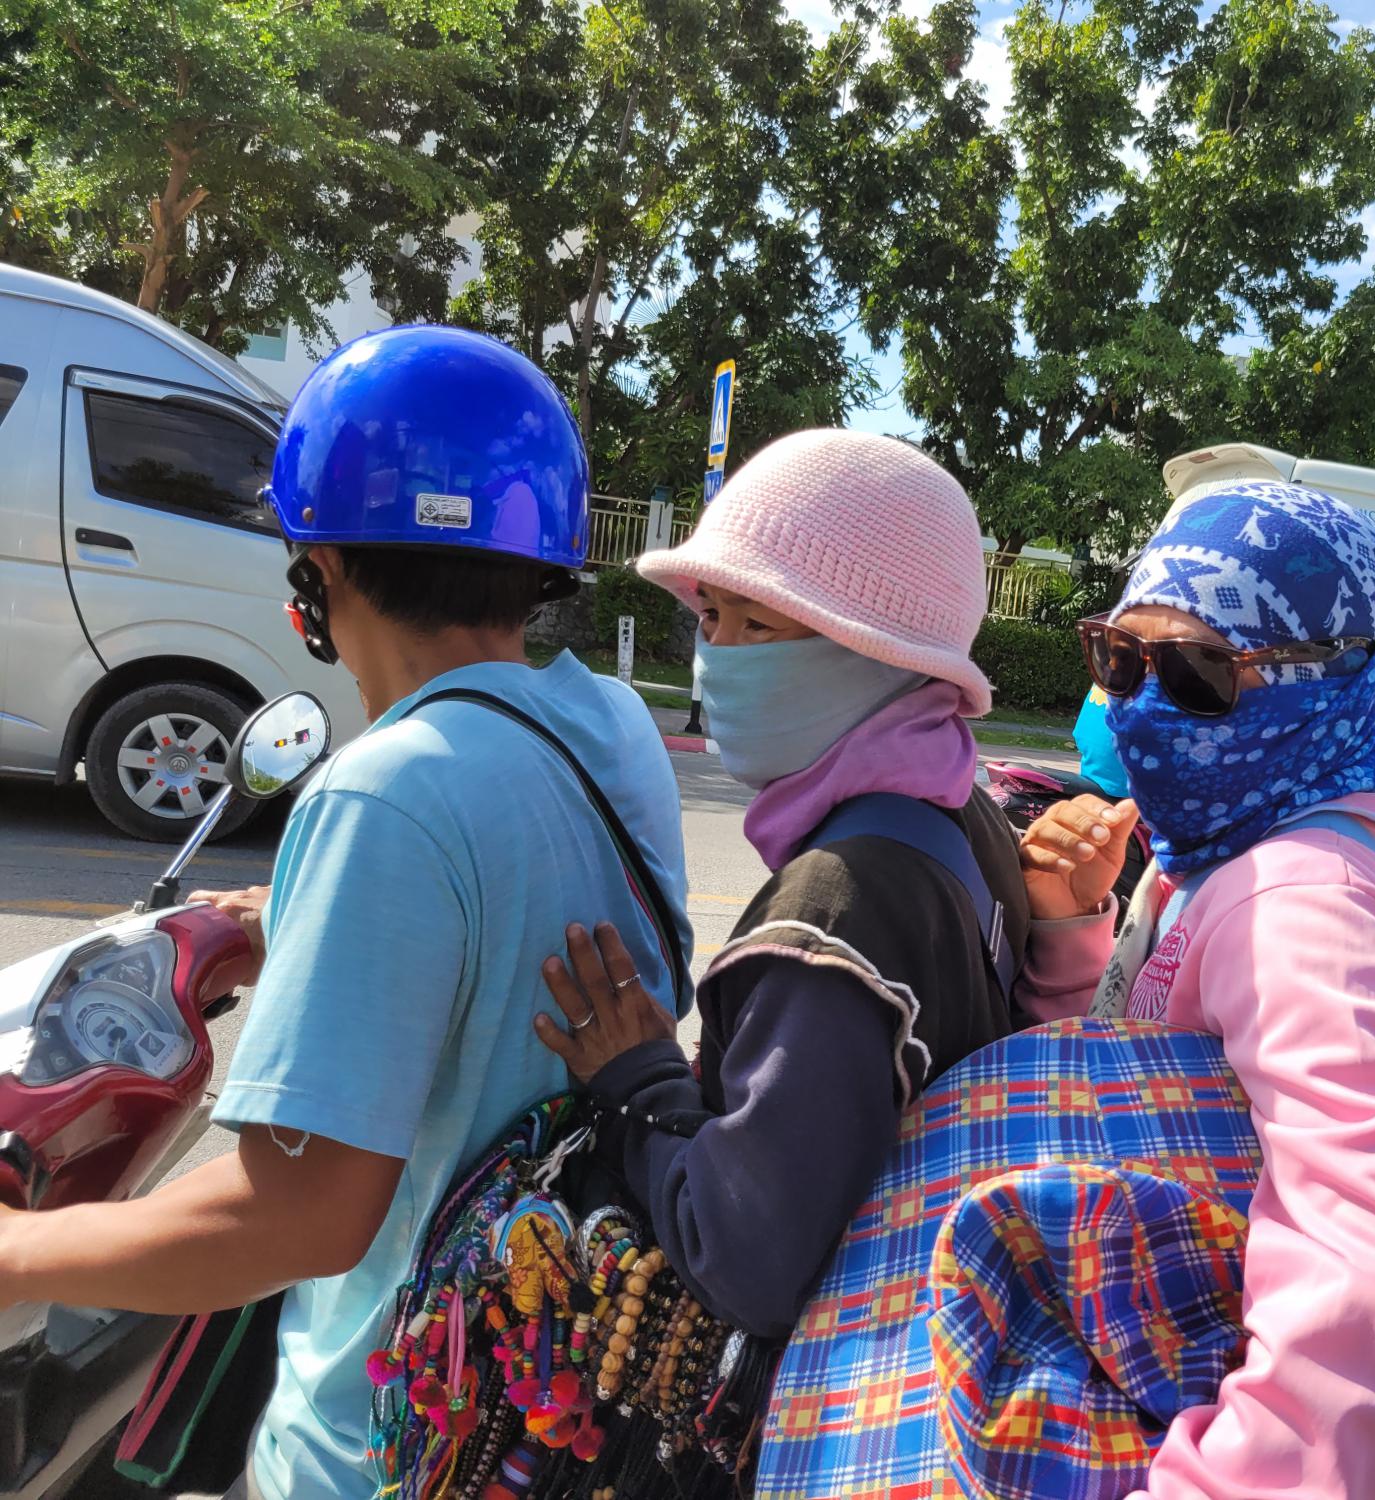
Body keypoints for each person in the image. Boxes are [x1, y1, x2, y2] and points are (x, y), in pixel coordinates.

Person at [0, 326, 695, 1500]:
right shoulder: (613, 727)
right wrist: (299, 922)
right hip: (543, 1399)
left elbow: (296, 1219)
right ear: (539, 563)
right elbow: (509, 920)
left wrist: (19, 1251)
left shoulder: (384, 792)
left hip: (388, 1443)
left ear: (315, 573)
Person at [1014, 480, 1375, 1499]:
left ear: (1321, 681)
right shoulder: (1216, 853)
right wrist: (1072, 931)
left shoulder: (1301, 901)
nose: (1140, 707)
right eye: (1121, 660)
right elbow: (1142, 1102)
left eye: (1196, 672)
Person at [533, 428, 1032, 1343]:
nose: (717, 656)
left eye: (758, 626)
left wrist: (639, 1080)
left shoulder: (835, 906)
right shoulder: (966, 809)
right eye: (711, 617)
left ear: (881, 652)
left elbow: (740, 1258)